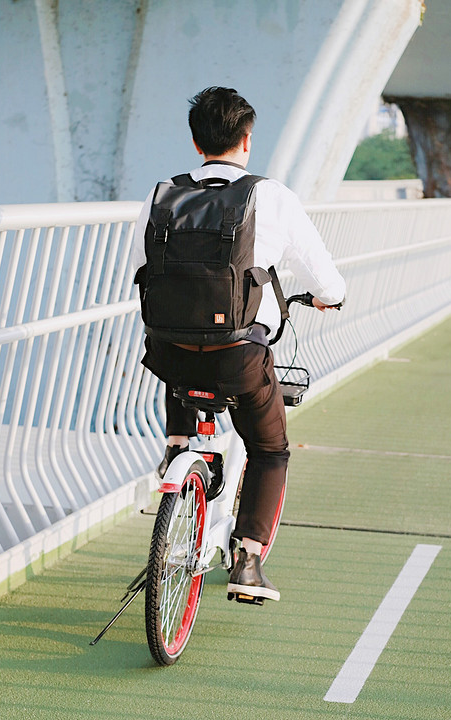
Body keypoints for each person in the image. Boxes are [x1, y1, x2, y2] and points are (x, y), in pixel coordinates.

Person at [130, 87, 346, 603]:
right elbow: (330, 285)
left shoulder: (162, 194)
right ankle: (247, 560)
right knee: (270, 449)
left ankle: (177, 446)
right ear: (246, 140)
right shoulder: (271, 196)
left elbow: (135, 269)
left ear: (195, 141)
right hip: (239, 359)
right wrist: (325, 299)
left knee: (182, 356)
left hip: (167, 353)